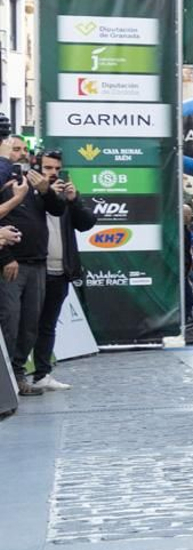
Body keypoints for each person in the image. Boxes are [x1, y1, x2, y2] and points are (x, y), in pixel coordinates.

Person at [31, 151, 97, 390]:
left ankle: (41, 374)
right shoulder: (27, 193)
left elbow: (87, 223)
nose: (53, 173)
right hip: (33, 268)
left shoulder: (65, 196)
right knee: (24, 324)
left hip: (61, 270)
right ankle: (15, 376)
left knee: (48, 324)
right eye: (48, 168)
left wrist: (74, 199)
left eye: (57, 169)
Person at [0, 151, 58, 397]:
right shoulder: (7, 185)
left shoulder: (37, 185)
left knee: (30, 325)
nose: (21, 154)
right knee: (10, 321)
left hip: (37, 264)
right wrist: (6, 258)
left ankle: (18, 373)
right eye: (16, 149)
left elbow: (58, 210)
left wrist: (46, 190)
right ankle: (6, 380)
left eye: (24, 151)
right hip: (13, 265)